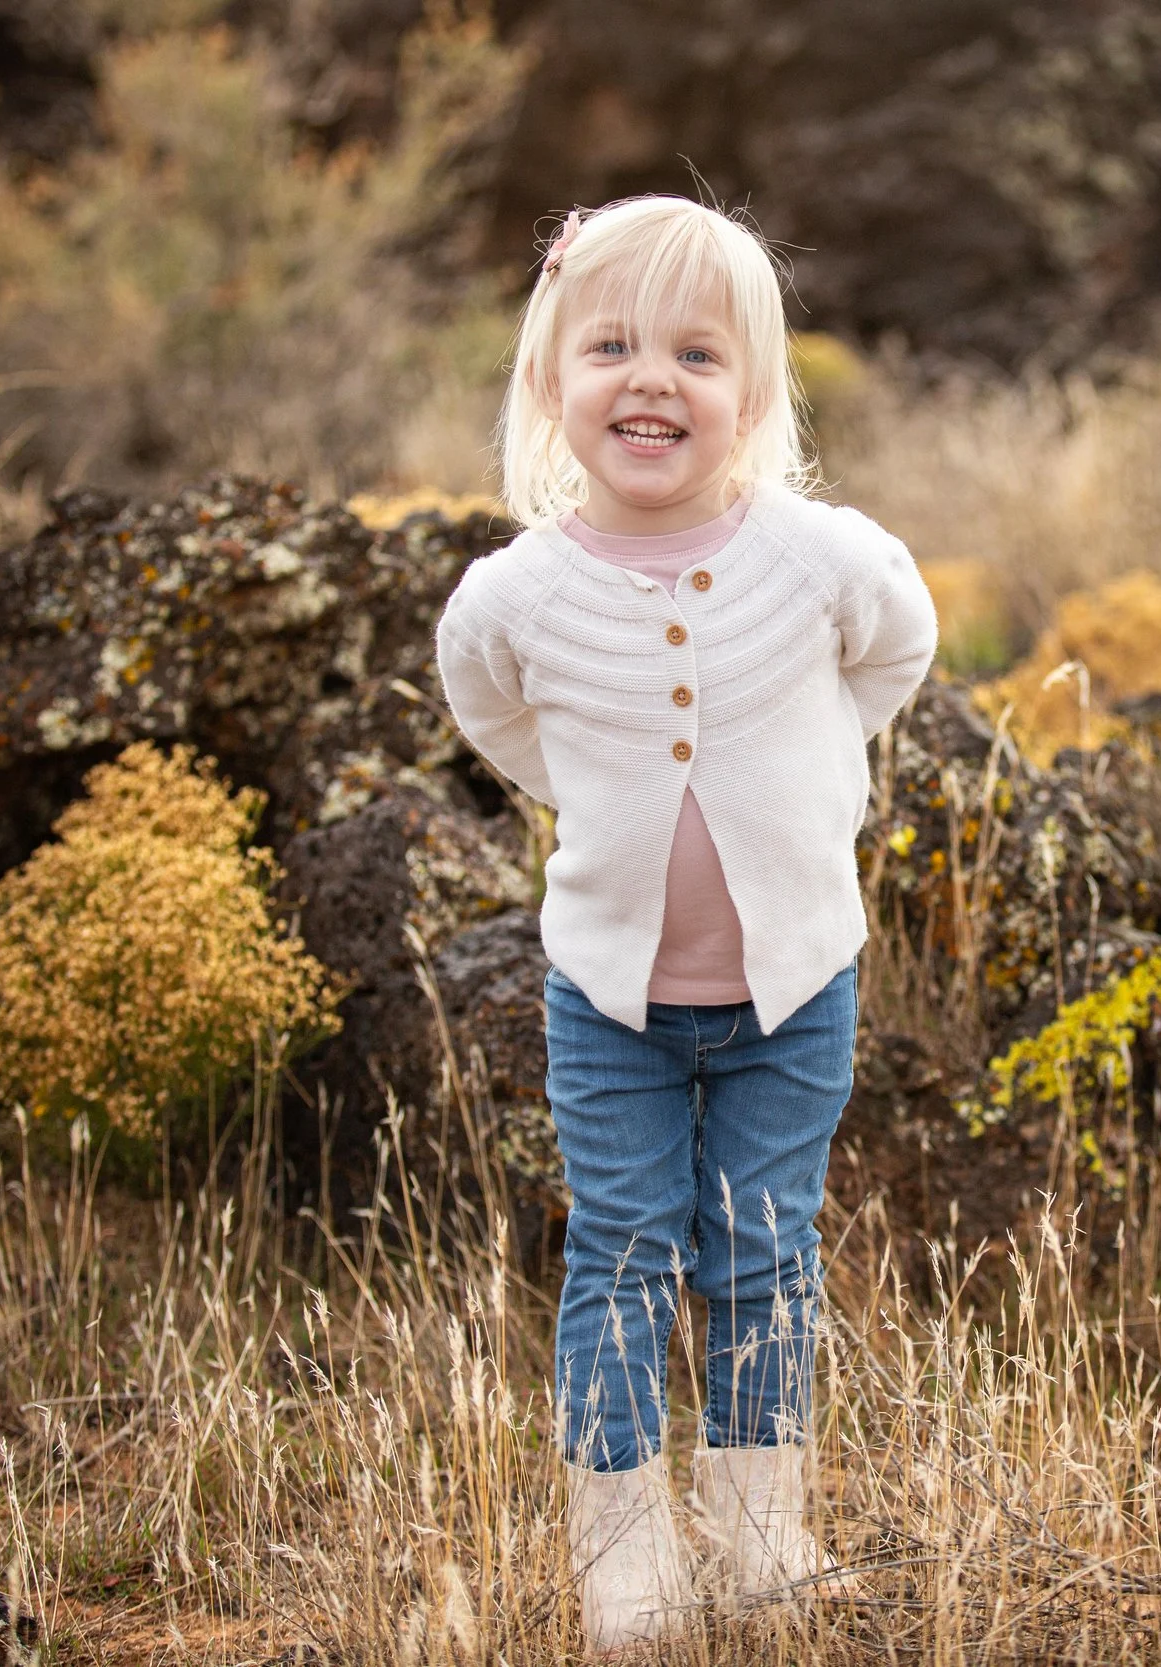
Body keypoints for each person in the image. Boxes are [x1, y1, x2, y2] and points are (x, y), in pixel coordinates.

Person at [434, 195, 938, 1654]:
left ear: (756, 395)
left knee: (766, 1244)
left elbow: (896, 647)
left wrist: (818, 757)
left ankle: (762, 1531)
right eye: (610, 344)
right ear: (549, 380)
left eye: (697, 354)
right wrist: (588, 791)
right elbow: (493, 708)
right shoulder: (517, 595)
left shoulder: (819, 557)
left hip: (796, 985)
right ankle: (623, 1549)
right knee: (626, 1248)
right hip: (610, 998)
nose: (652, 378)